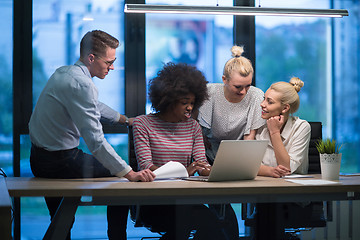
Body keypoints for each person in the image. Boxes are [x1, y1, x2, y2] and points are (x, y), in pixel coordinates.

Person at [28, 30, 155, 240]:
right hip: (60, 162)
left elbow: (94, 105)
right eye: (109, 62)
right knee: (121, 181)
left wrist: (124, 119)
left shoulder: (65, 73)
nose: (112, 67)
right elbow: (95, 141)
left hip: (40, 158)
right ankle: (117, 237)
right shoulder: (82, 84)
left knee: (61, 222)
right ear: (91, 58)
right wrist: (129, 172)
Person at [132, 62, 238, 240]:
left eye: (192, 103)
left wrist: (217, 171)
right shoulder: (143, 124)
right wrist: (184, 172)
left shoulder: (193, 126)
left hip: (184, 198)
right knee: (206, 222)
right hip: (154, 201)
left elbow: (201, 163)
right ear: (167, 100)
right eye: (184, 103)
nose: (190, 108)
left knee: (222, 219)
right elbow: (147, 167)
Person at [197, 45, 265, 164]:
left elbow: (250, 136)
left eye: (248, 86)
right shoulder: (210, 92)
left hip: (241, 154)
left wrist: (246, 164)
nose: (243, 91)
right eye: (238, 87)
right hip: (210, 153)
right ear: (224, 79)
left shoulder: (256, 95)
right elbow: (201, 132)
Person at [256, 77, 311, 177]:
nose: (262, 104)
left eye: (270, 102)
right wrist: (269, 171)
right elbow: (250, 166)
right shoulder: (260, 126)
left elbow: (287, 168)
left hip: (293, 188)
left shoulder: (301, 127)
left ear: (285, 108)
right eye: (264, 99)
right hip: (264, 184)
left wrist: (275, 132)